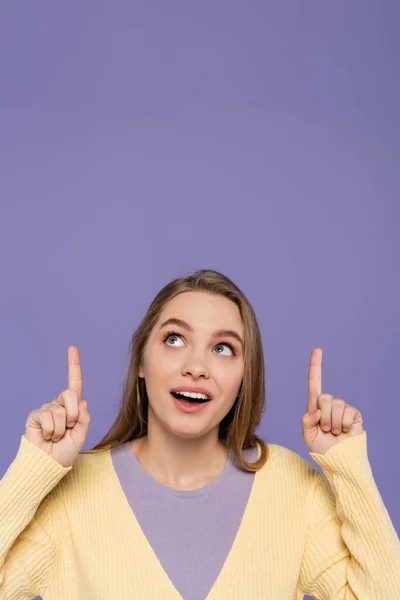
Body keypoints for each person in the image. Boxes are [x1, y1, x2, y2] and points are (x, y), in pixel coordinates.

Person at [1, 269, 399, 599]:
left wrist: (348, 467)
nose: (196, 366)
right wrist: (33, 469)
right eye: (174, 339)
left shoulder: (293, 488)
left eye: (223, 348)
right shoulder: (72, 496)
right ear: (142, 360)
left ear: (245, 377)